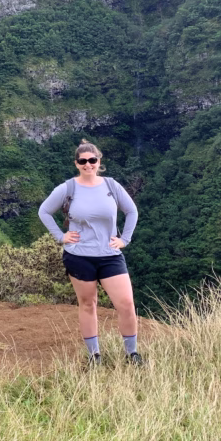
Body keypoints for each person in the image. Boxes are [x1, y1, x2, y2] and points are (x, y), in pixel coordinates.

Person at [38, 139, 142, 365]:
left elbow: (132, 211)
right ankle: (95, 356)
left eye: (92, 160)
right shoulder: (68, 188)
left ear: (99, 161)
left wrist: (124, 239)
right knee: (88, 304)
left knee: (126, 303)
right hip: (79, 256)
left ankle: (132, 354)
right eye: (83, 161)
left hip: (110, 255)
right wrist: (60, 236)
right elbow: (44, 211)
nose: (88, 164)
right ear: (76, 163)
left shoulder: (111, 186)